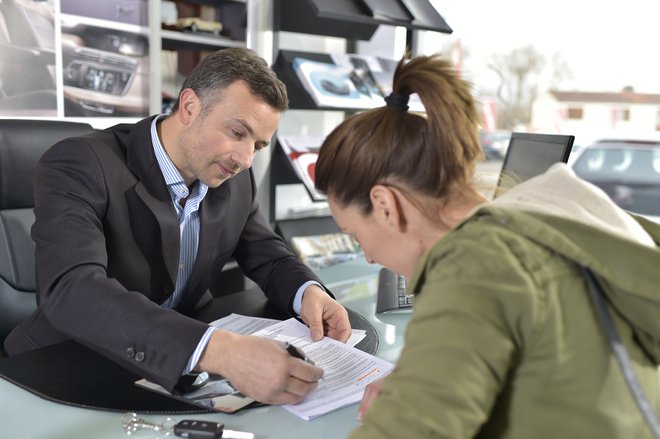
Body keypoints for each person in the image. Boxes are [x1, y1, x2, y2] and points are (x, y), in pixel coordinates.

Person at [314, 52, 660, 438]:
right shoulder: (545, 217)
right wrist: (423, 382)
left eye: (357, 235)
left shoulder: (472, 268)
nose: (369, 256)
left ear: (385, 205)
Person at [4, 47, 351, 405]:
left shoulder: (233, 179)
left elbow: (268, 255)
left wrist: (308, 291)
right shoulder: (80, 163)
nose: (245, 159)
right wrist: (220, 351)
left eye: (258, 146)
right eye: (237, 132)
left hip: (174, 369)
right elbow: (72, 290)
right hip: (65, 368)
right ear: (189, 107)